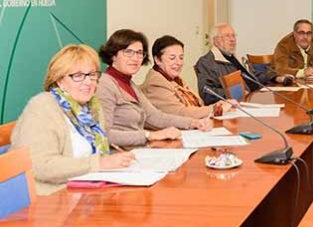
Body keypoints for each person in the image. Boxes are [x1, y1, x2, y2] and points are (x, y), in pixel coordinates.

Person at [11, 45, 135, 195]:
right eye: (78, 76)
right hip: (51, 199)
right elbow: (40, 166)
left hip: (88, 191)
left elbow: (97, 154)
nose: (88, 82)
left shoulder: (92, 107)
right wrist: (99, 163)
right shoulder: (42, 107)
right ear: (59, 80)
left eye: (92, 75)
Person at [97, 29, 211, 147]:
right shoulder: (104, 84)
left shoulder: (130, 84)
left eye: (139, 53)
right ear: (113, 55)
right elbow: (103, 134)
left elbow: (155, 117)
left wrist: (193, 123)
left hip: (137, 151)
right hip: (118, 155)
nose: (135, 58)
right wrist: (149, 135)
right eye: (128, 52)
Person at [141, 35, 236, 118]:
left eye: (181, 57)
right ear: (157, 60)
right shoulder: (155, 83)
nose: (178, 63)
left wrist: (219, 105)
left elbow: (197, 104)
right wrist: (214, 108)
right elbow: (180, 113)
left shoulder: (176, 79)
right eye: (172, 58)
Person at [196, 24, 289, 105]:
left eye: (233, 36)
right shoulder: (206, 62)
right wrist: (237, 93)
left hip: (254, 98)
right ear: (215, 41)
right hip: (237, 106)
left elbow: (253, 75)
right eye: (227, 36)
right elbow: (207, 93)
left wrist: (276, 77)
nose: (232, 40)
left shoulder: (233, 57)